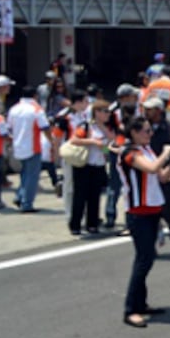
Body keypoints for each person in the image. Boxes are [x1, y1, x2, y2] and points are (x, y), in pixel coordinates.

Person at [118, 116, 170, 328]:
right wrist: (166, 152)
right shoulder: (129, 153)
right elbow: (152, 168)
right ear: (134, 133)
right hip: (138, 212)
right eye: (146, 131)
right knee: (143, 260)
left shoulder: (146, 151)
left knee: (148, 257)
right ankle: (131, 309)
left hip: (153, 209)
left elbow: (162, 176)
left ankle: (141, 303)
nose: (150, 134)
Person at [143, 97, 170, 257]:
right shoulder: (141, 127)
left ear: (159, 110)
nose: (147, 112)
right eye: (146, 109)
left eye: (151, 109)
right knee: (149, 211)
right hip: (147, 172)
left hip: (165, 174)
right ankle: (150, 243)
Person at [68, 99, 112, 236]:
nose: (108, 114)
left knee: (95, 196)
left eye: (108, 112)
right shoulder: (86, 126)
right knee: (80, 196)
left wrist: (105, 151)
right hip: (84, 165)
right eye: (105, 111)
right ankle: (75, 224)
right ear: (96, 112)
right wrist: (92, 141)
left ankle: (92, 224)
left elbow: (110, 142)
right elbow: (74, 140)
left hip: (98, 165)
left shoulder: (104, 128)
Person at [8, 85, 54, 213]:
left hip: (18, 145)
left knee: (24, 174)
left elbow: (9, 128)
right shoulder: (36, 110)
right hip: (33, 147)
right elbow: (45, 127)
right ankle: (27, 203)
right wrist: (51, 141)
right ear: (35, 96)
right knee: (32, 176)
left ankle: (20, 196)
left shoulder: (14, 109)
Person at [105, 83, 140, 229]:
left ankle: (132, 215)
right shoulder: (113, 111)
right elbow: (109, 131)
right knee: (115, 185)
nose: (135, 98)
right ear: (125, 97)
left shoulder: (137, 109)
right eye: (132, 96)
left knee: (132, 185)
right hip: (118, 150)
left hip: (133, 149)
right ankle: (110, 214)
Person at [53, 89, 89, 221]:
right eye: (85, 101)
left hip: (83, 153)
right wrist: (57, 155)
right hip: (69, 154)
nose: (87, 104)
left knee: (83, 185)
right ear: (78, 102)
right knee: (69, 185)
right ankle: (70, 213)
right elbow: (56, 137)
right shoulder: (64, 117)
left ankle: (82, 213)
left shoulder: (85, 116)